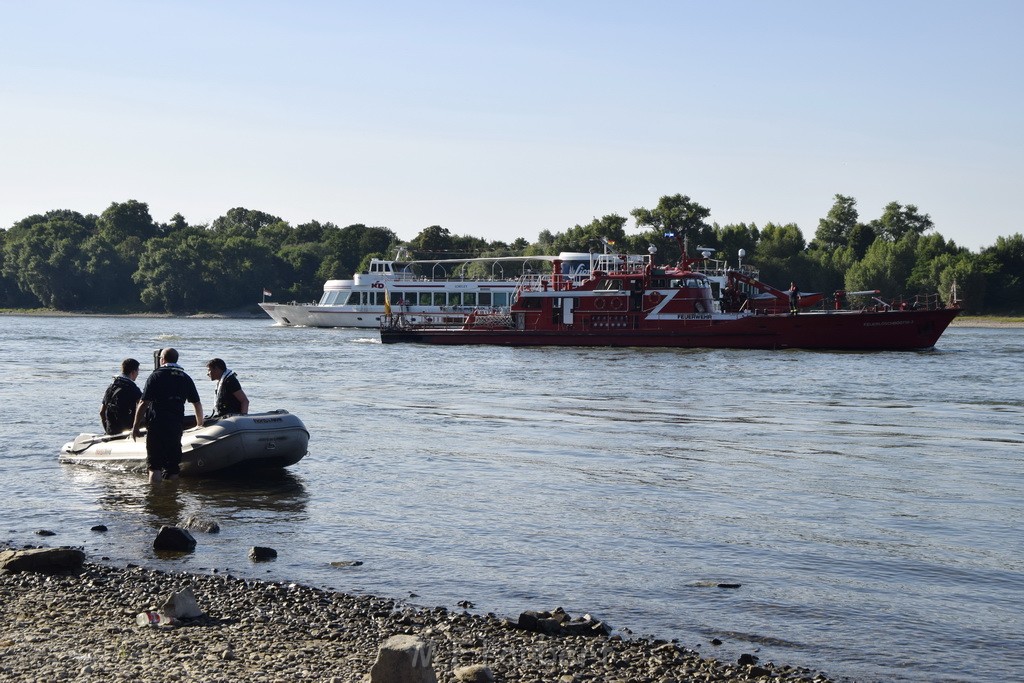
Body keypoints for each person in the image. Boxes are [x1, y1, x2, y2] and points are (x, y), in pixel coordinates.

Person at [131, 348, 203, 484]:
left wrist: (135, 426)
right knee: (173, 468)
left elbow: (143, 403)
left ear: (162, 359)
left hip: (157, 425)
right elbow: (197, 403)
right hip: (175, 426)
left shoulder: (155, 376)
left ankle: (156, 499)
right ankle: (172, 498)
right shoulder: (185, 377)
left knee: (154, 466)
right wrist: (200, 424)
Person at [100, 358, 142, 435]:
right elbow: (143, 406)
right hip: (126, 430)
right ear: (133, 372)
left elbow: (102, 412)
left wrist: (107, 429)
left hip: (111, 429)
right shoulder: (133, 389)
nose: (138, 374)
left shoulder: (112, 386)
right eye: (138, 371)